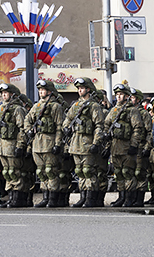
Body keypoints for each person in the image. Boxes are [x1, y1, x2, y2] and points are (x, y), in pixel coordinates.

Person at [62, 77, 106, 208]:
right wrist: (66, 128)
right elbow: (67, 119)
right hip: (76, 142)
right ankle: (83, 196)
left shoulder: (94, 106)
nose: (79, 90)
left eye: (82, 88)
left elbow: (99, 126)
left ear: (88, 89)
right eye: (78, 88)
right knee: (79, 171)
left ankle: (91, 198)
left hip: (88, 142)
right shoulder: (75, 105)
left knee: (88, 171)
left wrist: (96, 143)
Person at [24, 79, 67, 208]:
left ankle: (53, 198)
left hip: (50, 141)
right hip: (37, 143)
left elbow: (60, 126)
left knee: (51, 171)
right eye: (40, 90)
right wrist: (29, 131)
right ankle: (45, 196)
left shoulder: (55, 106)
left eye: (43, 90)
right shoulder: (36, 106)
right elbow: (27, 120)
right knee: (41, 171)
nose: (41, 92)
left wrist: (57, 144)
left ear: (49, 91)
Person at [104, 84, 145, 207]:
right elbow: (106, 124)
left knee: (128, 173)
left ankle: (129, 198)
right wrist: (106, 139)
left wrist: (134, 145)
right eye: (117, 95)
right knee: (118, 173)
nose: (119, 96)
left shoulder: (132, 110)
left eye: (121, 94)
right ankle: (121, 197)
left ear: (127, 96)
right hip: (115, 147)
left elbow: (138, 128)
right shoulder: (114, 110)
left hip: (127, 147)